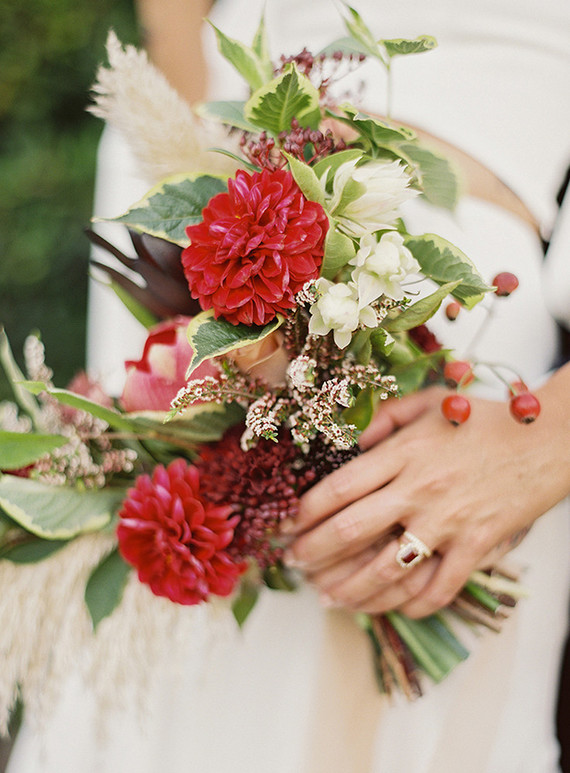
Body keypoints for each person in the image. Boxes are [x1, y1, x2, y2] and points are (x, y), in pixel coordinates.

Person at [7, 0, 570, 771]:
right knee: (165, 673)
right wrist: (196, 182)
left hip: (451, 290)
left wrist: (551, 438)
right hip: (198, 197)